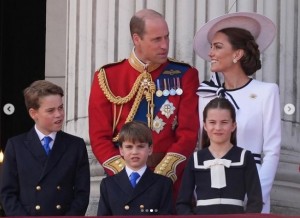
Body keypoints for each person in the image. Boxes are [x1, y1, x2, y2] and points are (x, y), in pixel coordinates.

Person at [88, 8, 199, 200]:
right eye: (157, 39)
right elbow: (99, 138)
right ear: (137, 39)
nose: (165, 45)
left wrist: (160, 178)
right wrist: (128, 176)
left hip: (170, 185)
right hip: (123, 186)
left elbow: (188, 134)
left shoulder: (185, 75)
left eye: (167, 37)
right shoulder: (107, 77)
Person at [193, 12, 281, 213]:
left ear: (237, 54)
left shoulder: (266, 92)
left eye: (218, 47)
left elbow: (272, 150)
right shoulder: (206, 95)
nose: (210, 53)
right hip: (211, 189)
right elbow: (200, 146)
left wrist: (257, 194)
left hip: (252, 186)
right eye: (211, 47)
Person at [0, 80, 90, 216]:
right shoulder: (15, 146)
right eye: (51, 110)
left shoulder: (76, 145)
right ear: (33, 113)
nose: (59, 114)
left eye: (61, 107)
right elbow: (7, 194)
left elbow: (82, 194)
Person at [176, 97, 263, 214]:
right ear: (205, 126)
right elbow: (182, 203)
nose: (218, 128)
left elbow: (255, 201)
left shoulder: (245, 157)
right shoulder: (196, 159)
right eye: (212, 122)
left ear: (233, 125)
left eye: (224, 122)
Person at [97, 121, 173, 215]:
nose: (134, 152)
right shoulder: (108, 185)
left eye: (140, 146)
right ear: (121, 150)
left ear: (150, 149)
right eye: (129, 147)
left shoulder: (163, 184)